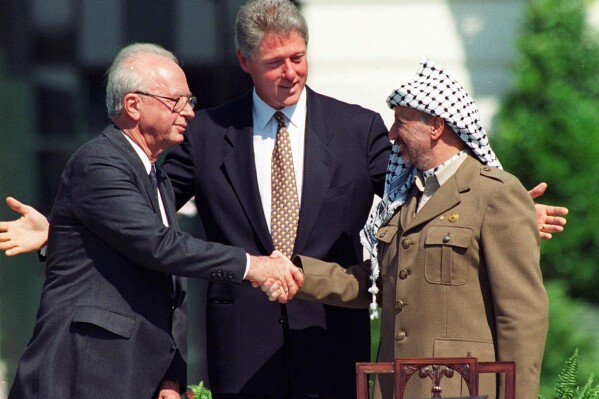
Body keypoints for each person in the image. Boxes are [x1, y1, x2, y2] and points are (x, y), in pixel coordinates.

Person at [0, 1, 567, 398]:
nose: (290, 72)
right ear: (246, 62)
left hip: (332, 337)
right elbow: (144, 215)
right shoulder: (206, 132)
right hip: (242, 348)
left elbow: (419, 194)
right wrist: (64, 229)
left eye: (298, 57)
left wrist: (504, 212)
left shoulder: (358, 127)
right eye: (274, 62)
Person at [4, 42, 302, 399]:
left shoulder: (157, 178)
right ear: (133, 105)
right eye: (177, 101)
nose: (189, 113)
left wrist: (171, 377)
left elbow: (169, 286)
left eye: (189, 101)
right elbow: (160, 247)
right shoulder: (99, 163)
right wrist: (251, 265)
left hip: (135, 375)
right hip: (85, 371)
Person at [265, 58, 550, 398]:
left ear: (436, 127)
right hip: (396, 386)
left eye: (401, 122)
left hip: (463, 389)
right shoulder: (405, 199)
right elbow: (377, 286)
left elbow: (521, 316)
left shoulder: (494, 193)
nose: (391, 134)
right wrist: (297, 273)